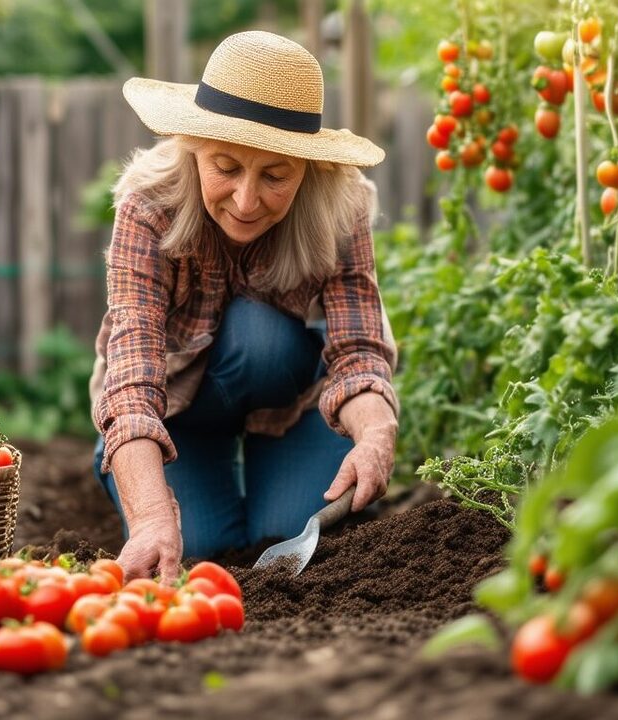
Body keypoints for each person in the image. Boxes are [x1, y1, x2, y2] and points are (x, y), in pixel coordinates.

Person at [89, 30, 399, 583]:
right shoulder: (149, 206)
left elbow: (357, 349)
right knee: (199, 550)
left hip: (287, 400)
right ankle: (178, 477)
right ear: (194, 146)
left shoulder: (339, 207)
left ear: (308, 168)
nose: (246, 200)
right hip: (176, 411)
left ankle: (274, 467)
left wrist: (375, 435)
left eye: (275, 176)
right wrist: (153, 515)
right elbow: (132, 378)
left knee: (284, 536)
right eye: (226, 167)